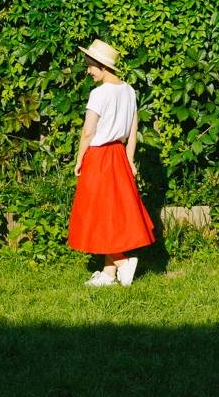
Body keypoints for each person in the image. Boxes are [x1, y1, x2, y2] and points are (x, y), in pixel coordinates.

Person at [68, 38, 155, 286]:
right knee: (110, 214)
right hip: (118, 154)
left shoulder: (99, 94)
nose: (88, 70)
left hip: (99, 156)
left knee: (96, 213)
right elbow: (133, 127)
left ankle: (121, 262)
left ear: (102, 66)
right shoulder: (129, 90)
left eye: (90, 66)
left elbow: (88, 132)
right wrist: (129, 159)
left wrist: (79, 158)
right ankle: (108, 273)